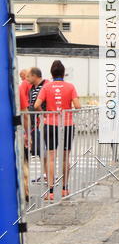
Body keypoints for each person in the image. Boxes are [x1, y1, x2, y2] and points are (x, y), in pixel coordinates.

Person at [34, 60, 80, 200]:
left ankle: (51, 191)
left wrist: (45, 113)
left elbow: (36, 105)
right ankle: (65, 189)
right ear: (63, 73)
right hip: (67, 124)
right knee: (66, 157)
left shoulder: (47, 87)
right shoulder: (70, 86)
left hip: (51, 124)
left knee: (51, 158)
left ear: (51, 73)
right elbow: (78, 106)